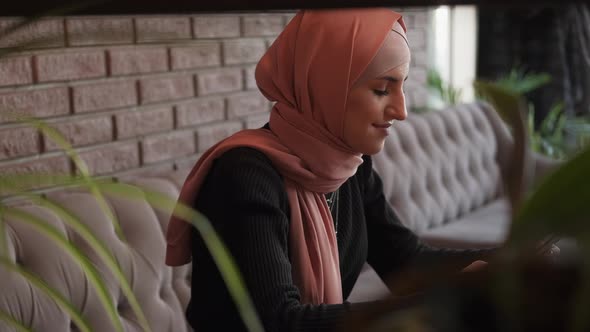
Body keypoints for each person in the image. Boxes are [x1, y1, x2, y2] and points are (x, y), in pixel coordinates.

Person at [165, 8, 496, 332]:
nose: (402, 109)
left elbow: (404, 261)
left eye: (402, 87)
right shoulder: (243, 175)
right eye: (382, 89)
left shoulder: (351, 164)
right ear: (328, 87)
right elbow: (279, 321)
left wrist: (513, 261)